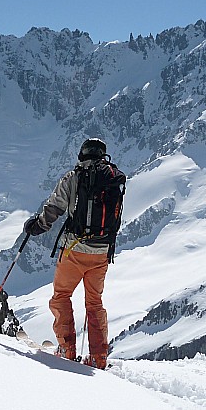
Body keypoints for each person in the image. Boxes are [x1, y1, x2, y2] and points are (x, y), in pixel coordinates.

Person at [22, 138, 125, 370]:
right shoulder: (113, 180)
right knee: (94, 303)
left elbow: (54, 207)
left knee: (61, 296)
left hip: (74, 250)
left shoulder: (74, 177)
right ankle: (99, 357)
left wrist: (36, 225)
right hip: (102, 253)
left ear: (82, 155)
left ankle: (67, 349)